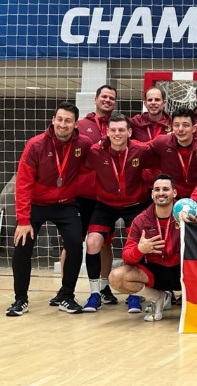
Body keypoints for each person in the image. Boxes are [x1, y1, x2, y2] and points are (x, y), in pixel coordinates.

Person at [7, 102, 93, 316]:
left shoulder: (84, 144)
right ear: (53, 120)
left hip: (66, 204)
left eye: (68, 121)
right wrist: (24, 220)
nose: (63, 124)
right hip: (36, 204)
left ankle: (67, 295)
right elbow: (23, 183)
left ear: (75, 124)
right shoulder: (35, 145)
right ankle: (20, 299)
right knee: (22, 245)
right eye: (60, 119)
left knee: (75, 244)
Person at [82, 112, 157, 314]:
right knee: (93, 242)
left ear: (129, 132)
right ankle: (95, 293)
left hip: (136, 203)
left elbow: (156, 166)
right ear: (107, 132)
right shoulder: (96, 151)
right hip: (105, 203)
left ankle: (134, 293)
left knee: (135, 245)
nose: (117, 134)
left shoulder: (141, 150)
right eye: (113, 130)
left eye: (121, 130)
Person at [70, 84, 118, 307]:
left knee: (104, 242)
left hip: (106, 196)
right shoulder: (80, 126)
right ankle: (66, 289)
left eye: (111, 98)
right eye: (104, 97)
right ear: (96, 100)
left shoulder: (118, 126)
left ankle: (104, 286)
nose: (107, 100)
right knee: (72, 243)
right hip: (82, 194)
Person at [108, 174, 180, 322]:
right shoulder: (141, 220)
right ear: (152, 193)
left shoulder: (185, 214)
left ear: (174, 193)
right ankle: (159, 298)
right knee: (116, 277)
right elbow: (127, 256)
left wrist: (194, 223)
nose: (161, 193)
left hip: (182, 270)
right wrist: (140, 250)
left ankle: (193, 308)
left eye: (165, 189)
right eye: (157, 189)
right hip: (153, 272)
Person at [148, 107, 197, 222]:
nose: (180, 129)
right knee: (175, 237)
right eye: (176, 125)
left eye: (185, 125)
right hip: (175, 197)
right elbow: (139, 149)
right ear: (171, 127)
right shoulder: (162, 142)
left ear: (194, 128)